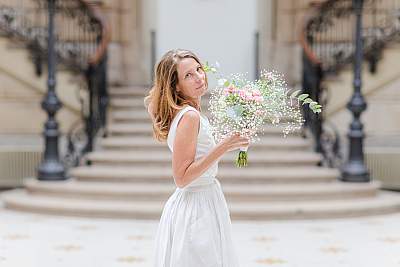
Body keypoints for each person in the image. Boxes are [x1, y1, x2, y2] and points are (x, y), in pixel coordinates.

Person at [145, 49, 248, 266]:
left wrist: (231, 143)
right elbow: (181, 178)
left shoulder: (186, 112)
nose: (199, 77)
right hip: (196, 207)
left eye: (198, 69)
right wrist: (223, 146)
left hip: (202, 200)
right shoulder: (189, 116)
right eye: (188, 75)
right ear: (175, 86)